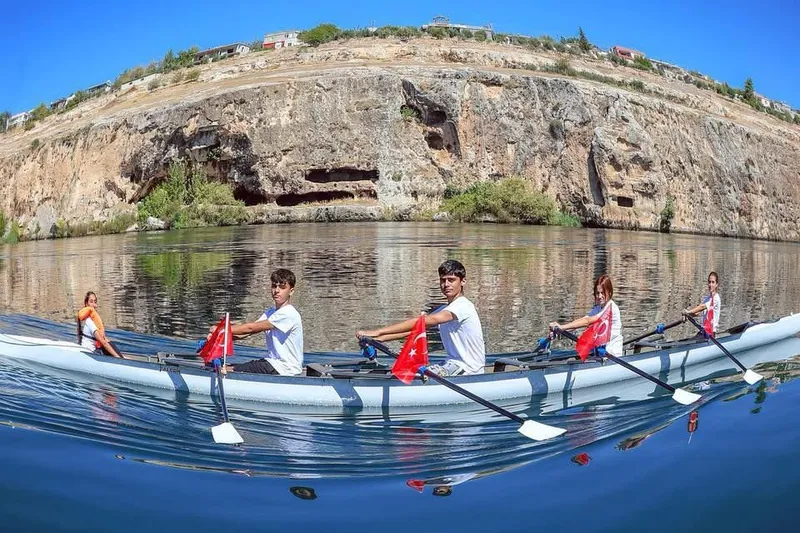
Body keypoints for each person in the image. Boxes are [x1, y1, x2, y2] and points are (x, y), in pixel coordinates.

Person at [356, 259, 485, 376]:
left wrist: (378, 331)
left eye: (451, 280)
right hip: (452, 364)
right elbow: (415, 329)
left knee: (416, 375)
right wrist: (377, 339)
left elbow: (423, 321)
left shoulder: (463, 306)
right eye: (443, 280)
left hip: (469, 369)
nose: (446, 284)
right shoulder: (444, 309)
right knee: (408, 372)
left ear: (463, 282)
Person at [219, 268, 304, 375]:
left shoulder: (288, 313)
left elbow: (251, 327)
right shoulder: (271, 312)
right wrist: (221, 338)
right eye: (274, 286)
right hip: (273, 364)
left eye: (282, 287)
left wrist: (222, 330)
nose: (276, 290)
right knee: (235, 367)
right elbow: (248, 332)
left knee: (232, 369)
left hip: (286, 369)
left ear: (291, 291)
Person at [548, 274, 623, 358]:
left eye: (603, 293)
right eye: (597, 293)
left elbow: (587, 322)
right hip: (599, 353)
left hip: (613, 355)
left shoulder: (612, 308)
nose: (599, 296)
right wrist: (560, 331)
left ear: (609, 292)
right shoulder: (598, 308)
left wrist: (562, 327)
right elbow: (585, 319)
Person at [76, 291, 124, 358]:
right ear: (86, 304)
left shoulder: (85, 320)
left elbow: (105, 340)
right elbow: (104, 343)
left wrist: (122, 356)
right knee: (108, 346)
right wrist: (118, 358)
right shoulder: (89, 322)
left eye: (95, 302)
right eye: (91, 302)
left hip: (88, 350)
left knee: (110, 344)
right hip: (91, 354)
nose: (94, 305)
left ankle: (124, 358)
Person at [683, 271, 721, 337]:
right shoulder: (707, 299)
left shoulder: (716, 298)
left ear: (716, 284)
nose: (710, 285)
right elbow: (697, 313)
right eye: (709, 282)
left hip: (711, 333)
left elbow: (702, 307)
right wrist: (688, 315)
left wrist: (688, 312)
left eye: (713, 282)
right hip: (704, 331)